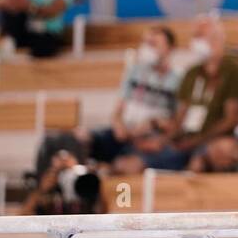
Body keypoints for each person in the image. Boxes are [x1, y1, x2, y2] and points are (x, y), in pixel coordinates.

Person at [78, 26, 183, 173]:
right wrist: (118, 125)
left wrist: (155, 125)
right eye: (147, 44)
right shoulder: (135, 72)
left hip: (149, 140)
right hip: (123, 134)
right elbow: (117, 111)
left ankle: (106, 176)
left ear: (170, 49)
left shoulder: (179, 80)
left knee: (124, 166)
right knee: (80, 138)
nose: (148, 48)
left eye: (154, 44)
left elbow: (177, 124)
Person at [172, 14, 238, 167]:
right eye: (194, 36)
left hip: (214, 138)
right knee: (131, 162)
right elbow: (180, 116)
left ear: (218, 38)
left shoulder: (234, 68)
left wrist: (197, 140)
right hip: (187, 137)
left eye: (199, 36)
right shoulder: (192, 73)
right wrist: (165, 140)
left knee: (202, 161)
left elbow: (230, 119)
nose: (194, 41)